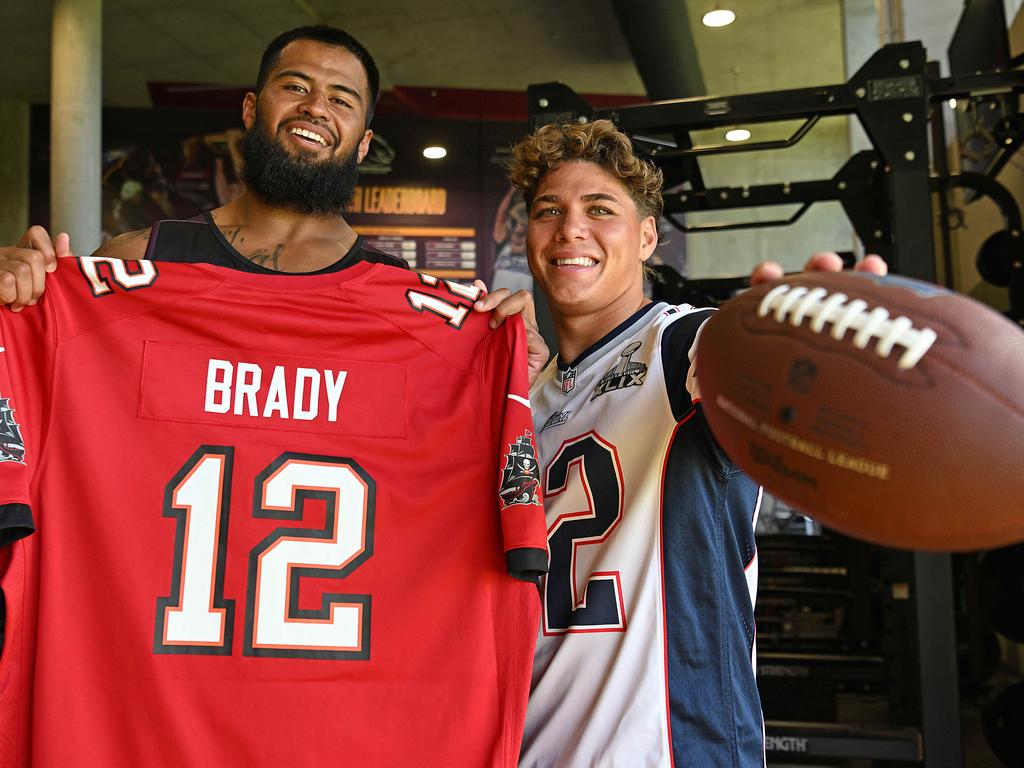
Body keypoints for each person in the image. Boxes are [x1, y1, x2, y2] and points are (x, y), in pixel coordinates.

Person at [474, 119, 887, 767]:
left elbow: (743, 367)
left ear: (647, 239)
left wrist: (797, 352)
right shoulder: (529, 394)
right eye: (548, 211)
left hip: (670, 751)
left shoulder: (678, 345)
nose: (570, 229)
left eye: (600, 210)